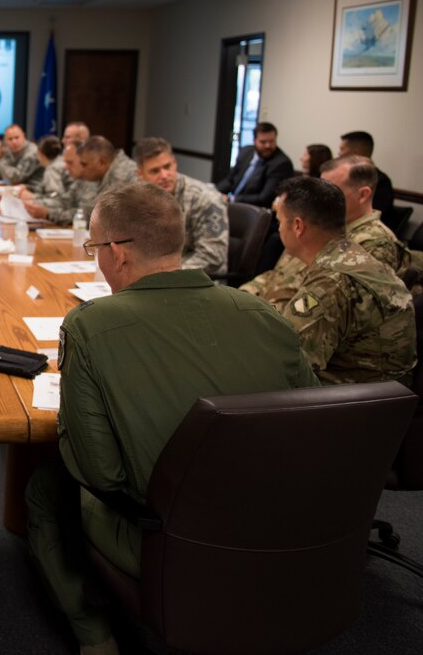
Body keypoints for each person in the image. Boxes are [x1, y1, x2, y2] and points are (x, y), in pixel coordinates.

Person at [25, 183, 320, 655]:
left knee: (44, 487)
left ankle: (94, 636)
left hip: (173, 543)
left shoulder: (90, 326)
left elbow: (100, 472)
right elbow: (316, 421)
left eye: (93, 248)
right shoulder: (261, 311)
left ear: (116, 254)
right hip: (284, 527)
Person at [273, 175, 415, 384]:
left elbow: (287, 366)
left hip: (351, 404)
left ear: (297, 226)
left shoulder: (330, 282)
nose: (278, 229)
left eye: (279, 221)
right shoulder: (350, 255)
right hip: (381, 397)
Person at [243, 156, 411, 309]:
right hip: (266, 309)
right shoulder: (315, 224)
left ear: (363, 195)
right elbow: (277, 276)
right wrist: (242, 297)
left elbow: (334, 310)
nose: (318, 198)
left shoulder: (376, 243)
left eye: (332, 190)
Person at [132, 137, 227, 275]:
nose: (164, 175)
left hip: (197, 281)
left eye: (167, 166)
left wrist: (164, 275)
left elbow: (212, 257)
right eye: (155, 171)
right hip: (155, 277)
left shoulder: (206, 199)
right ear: (140, 174)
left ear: (175, 163)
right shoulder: (140, 196)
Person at [20, 137, 96, 225]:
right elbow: (65, 201)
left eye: (70, 163)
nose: (66, 167)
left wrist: (47, 214)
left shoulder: (91, 181)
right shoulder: (80, 180)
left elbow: (83, 215)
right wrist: (36, 202)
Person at [215, 121, 293, 207]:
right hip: (232, 204)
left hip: (255, 210)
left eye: (271, 141)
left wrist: (232, 199)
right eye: (263, 142)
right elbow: (230, 180)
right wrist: (215, 192)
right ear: (254, 141)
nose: (268, 146)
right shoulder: (246, 152)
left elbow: (264, 198)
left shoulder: (281, 164)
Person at [65, 135, 137, 215]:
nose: (82, 169)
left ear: (101, 163)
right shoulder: (100, 174)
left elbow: (99, 213)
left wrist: (56, 213)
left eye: (84, 164)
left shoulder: (122, 173)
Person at [339, 130, 394, 221]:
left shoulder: (380, 182)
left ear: (355, 153)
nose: (339, 154)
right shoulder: (344, 176)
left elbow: (375, 217)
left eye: (342, 149)